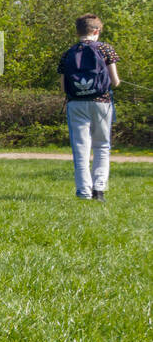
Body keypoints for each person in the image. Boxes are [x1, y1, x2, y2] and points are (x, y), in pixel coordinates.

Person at [58, 13, 121, 202]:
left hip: (75, 104)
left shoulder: (68, 53)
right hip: (101, 103)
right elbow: (115, 82)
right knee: (102, 146)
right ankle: (99, 190)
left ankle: (83, 192)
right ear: (96, 31)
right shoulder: (105, 49)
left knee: (80, 148)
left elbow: (63, 87)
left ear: (78, 32)